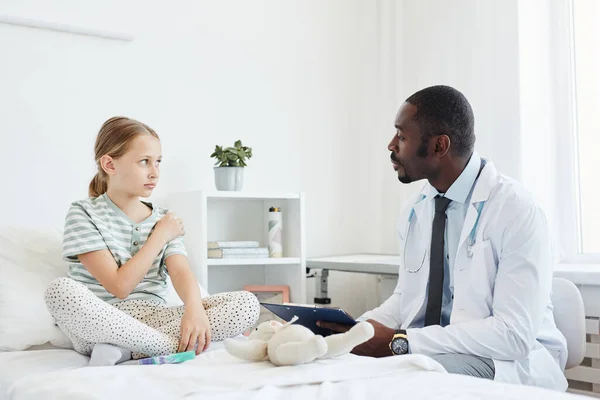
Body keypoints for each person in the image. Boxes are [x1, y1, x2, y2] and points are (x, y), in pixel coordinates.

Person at [318, 85, 568, 390]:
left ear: (439, 146)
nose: (390, 145)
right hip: (435, 349)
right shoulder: (416, 210)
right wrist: (355, 331)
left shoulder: (517, 210)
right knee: (345, 366)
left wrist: (401, 342)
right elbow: (405, 299)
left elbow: (513, 335)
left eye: (401, 136)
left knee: (412, 382)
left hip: (503, 359)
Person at [45, 116, 260, 365]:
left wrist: (195, 309)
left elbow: (180, 272)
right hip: (100, 320)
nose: (154, 173)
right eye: (144, 162)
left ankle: (127, 349)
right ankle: (168, 346)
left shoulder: (163, 219)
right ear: (109, 164)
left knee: (247, 304)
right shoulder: (83, 213)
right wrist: (159, 236)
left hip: (154, 316)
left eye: (158, 162)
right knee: (59, 291)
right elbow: (120, 286)